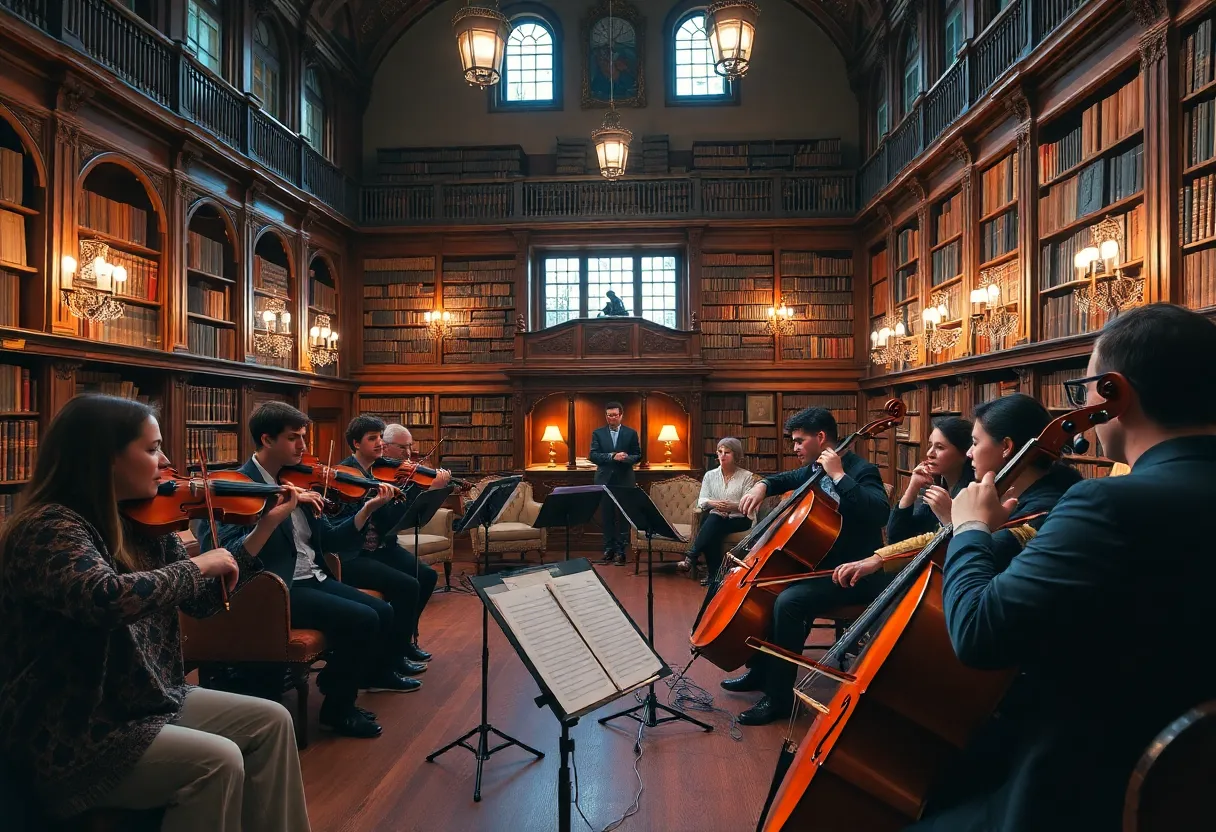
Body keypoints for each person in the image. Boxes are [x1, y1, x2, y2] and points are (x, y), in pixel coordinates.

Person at [911, 303, 1216, 831]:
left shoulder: (1106, 505)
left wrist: (970, 530)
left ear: (1114, 394)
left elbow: (979, 633)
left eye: (1086, 389)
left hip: (1085, 791)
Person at [0, 394, 310, 830]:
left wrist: (264, 527)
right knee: (216, 762)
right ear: (103, 459)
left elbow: (202, 604)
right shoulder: (48, 528)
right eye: (151, 449)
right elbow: (105, 598)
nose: (166, 461)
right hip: (80, 729)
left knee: (273, 721)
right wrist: (198, 563)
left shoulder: (147, 523)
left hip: (150, 700)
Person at [201, 402, 419, 741]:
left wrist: (366, 509)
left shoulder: (300, 481)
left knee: (381, 611)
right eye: (293, 438)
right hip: (273, 588)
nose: (303, 447)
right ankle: (338, 709)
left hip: (313, 576)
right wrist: (272, 514)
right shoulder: (234, 486)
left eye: (303, 437)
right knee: (363, 619)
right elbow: (228, 555)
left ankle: (336, 685)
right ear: (266, 439)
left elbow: (331, 538)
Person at [724, 406, 889, 726]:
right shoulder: (813, 469)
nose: (795, 447)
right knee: (768, 587)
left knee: (789, 600)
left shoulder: (861, 469)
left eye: (800, 441)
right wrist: (762, 486)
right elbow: (788, 477)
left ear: (821, 437)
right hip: (820, 567)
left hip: (855, 572)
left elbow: (879, 512)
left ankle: (780, 698)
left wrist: (840, 476)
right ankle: (761, 672)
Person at [836, 396, 1080, 590]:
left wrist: (956, 522)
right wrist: (881, 558)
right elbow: (941, 536)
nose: (970, 453)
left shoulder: (1044, 509)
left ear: (1006, 447)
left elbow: (981, 552)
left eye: (975, 443)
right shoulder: (1002, 492)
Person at [339, 415, 448, 666]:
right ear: (356, 443)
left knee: (427, 576)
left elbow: (397, 519)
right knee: (408, 585)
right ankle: (392, 654)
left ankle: (402, 641)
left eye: (380, 438)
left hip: (384, 546)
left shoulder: (382, 469)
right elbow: (390, 519)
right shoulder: (347, 474)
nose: (379, 444)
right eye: (372, 439)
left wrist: (424, 489)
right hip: (357, 553)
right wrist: (420, 492)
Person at [679, 437, 754, 586]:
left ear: (736, 455)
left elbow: (748, 504)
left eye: (727, 452)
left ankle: (693, 558)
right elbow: (702, 500)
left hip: (740, 519)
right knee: (714, 525)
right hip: (718, 517)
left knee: (712, 523)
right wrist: (714, 503)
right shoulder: (710, 475)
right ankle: (716, 576)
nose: (722, 455)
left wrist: (730, 507)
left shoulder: (747, 477)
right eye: (720, 452)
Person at [887, 416, 975, 541]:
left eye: (940, 447)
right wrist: (912, 489)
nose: (930, 453)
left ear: (964, 453)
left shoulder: (973, 495)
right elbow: (896, 537)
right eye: (930, 446)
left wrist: (948, 517)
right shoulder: (938, 487)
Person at [589, 401, 641, 565]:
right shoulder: (598, 433)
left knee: (623, 516)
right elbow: (593, 455)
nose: (612, 418)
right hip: (604, 480)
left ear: (621, 416)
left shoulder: (631, 433)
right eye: (609, 415)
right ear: (606, 416)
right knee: (607, 516)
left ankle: (621, 552)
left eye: (615, 415)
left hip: (625, 480)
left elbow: (638, 455)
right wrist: (612, 456)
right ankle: (608, 550)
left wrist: (626, 458)